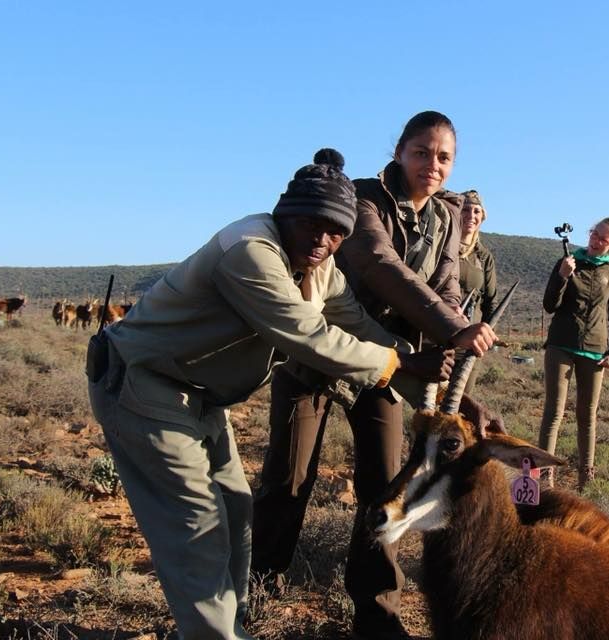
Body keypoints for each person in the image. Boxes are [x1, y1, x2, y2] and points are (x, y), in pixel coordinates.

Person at [87, 149, 454, 640]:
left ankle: (219, 628)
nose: (323, 240)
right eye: (311, 224)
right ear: (286, 214)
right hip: (144, 388)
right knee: (198, 531)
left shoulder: (319, 266)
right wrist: (404, 362)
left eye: (336, 232)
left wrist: (426, 386)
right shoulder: (250, 250)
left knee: (237, 516)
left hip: (197, 397)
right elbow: (308, 335)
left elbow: (357, 324)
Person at [251, 111, 496, 640]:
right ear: (400, 149)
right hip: (324, 349)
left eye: (444, 157)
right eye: (422, 152)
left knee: (382, 485)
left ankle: (377, 615)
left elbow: (448, 284)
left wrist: (453, 343)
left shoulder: (449, 217)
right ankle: (257, 593)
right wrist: (455, 327)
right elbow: (380, 265)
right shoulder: (362, 198)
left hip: (391, 364)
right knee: (288, 478)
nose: (433, 165)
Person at [538, 217, 609, 489]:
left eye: (603, 238)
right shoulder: (567, 262)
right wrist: (562, 276)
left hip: (595, 351)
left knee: (587, 415)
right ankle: (543, 476)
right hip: (560, 345)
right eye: (594, 233)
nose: (595, 240)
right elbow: (549, 305)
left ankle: (586, 480)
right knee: (554, 412)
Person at [457, 189, 498, 393]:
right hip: (438, 333)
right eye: (465, 210)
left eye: (476, 212)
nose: (470, 216)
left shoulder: (484, 257)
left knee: (461, 400)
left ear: (482, 217)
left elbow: (490, 300)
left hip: (471, 340)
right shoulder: (442, 245)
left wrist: (486, 336)